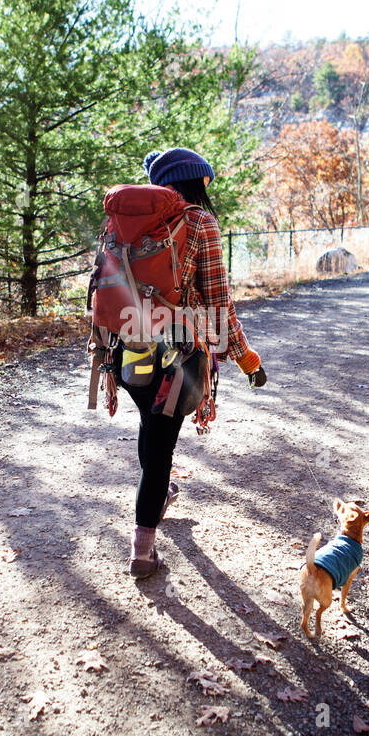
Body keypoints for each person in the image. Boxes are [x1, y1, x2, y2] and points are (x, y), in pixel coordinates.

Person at [120, 147, 267, 578]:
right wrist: (247, 360)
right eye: (205, 184)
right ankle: (142, 552)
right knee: (161, 443)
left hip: (125, 346)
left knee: (151, 427)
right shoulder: (200, 223)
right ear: (193, 183)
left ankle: (159, 496)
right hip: (176, 352)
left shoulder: (130, 221)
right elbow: (219, 305)